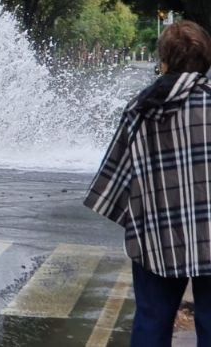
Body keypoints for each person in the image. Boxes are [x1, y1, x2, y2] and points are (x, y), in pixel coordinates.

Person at [85, 20, 211, 346]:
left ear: (164, 61)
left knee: (152, 320)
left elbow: (115, 176)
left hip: (157, 233)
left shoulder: (140, 108)